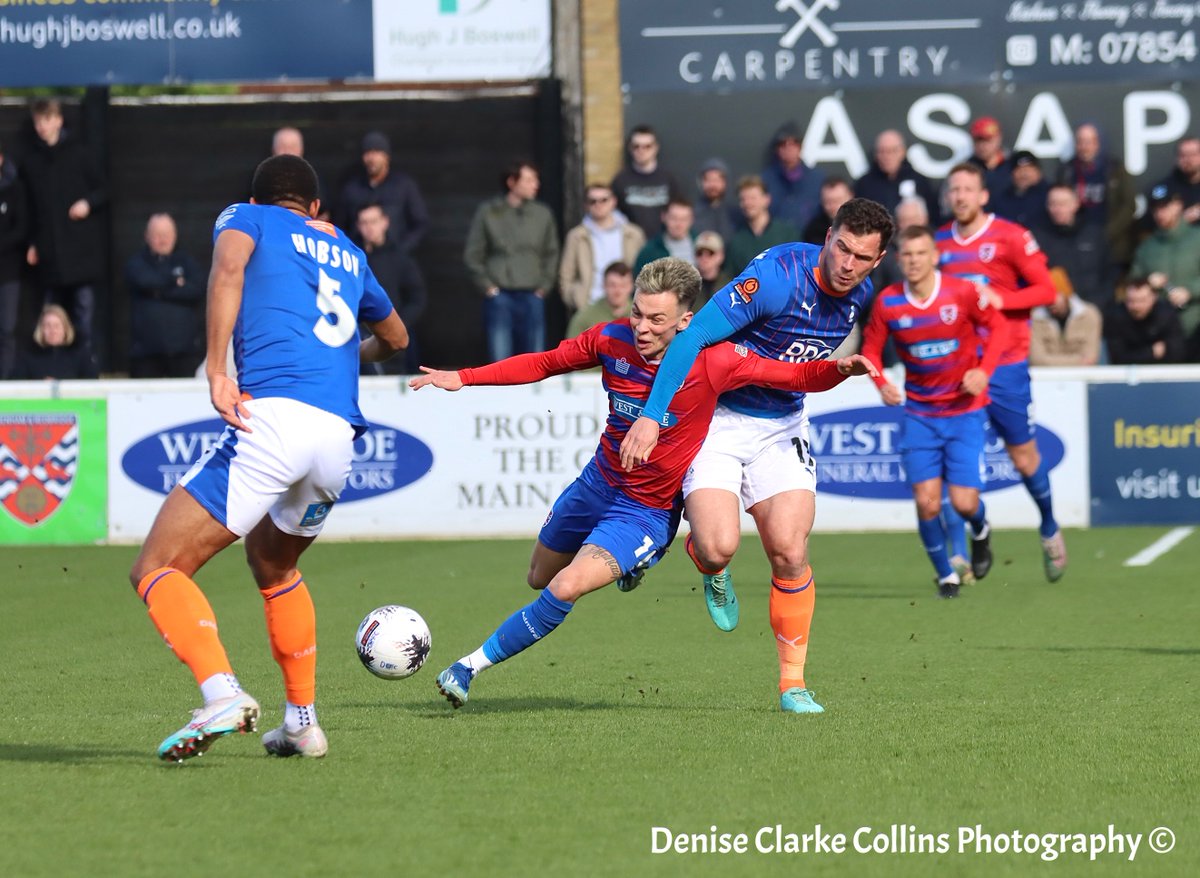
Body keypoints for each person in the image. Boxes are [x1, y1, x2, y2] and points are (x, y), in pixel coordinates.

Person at [408, 257, 875, 709]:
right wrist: (463, 378)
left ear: (686, 321)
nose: (642, 327)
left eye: (656, 318)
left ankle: (467, 669)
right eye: (637, 312)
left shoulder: (718, 361)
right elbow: (545, 363)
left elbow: (794, 374)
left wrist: (837, 370)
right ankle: (629, 567)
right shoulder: (610, 340)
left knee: (567, 586)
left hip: (644, 510)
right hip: (596, 484)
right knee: (539, 578)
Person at [127, 155, 408, 763]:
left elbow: (227, 268)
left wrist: (218, 370)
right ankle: (303, 723)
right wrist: (340, 359)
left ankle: (220, 692)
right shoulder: (351, 253)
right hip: (337, 439)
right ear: (315, 209)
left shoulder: (245, 218)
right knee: (275, 568)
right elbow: (397, 339)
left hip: (273, 419)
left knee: (157, 566)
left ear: (257, 202)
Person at [619, 199, 895, 714]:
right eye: (842, 248)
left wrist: (847, 370)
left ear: (877, 261)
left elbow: (801, 371)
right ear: (829, 235)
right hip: (718, 417)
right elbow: (694, 336)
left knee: (790, 552)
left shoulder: (863, 295)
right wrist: (654, 414)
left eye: (861, 257)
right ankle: (705, 560)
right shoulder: (776, 276)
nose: (847, 264)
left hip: (783, 424)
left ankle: (793, 686)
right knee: (720, 548)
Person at [936, 162, 1066, 582]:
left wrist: (1000, 299)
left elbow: (1047, 290)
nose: (960, 196)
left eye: (967, 189)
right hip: (958, 369)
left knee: (1023, 456)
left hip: (1006, 365)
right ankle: (961, 552)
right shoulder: (938, 243)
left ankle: (1048, 526)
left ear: (983, 195)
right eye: (954, 189)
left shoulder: (1010, 236)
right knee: (951, 461)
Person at [861, 226, 1006, 597]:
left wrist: (983, 371)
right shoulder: (889, 301)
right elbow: (871, 351)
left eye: (920, 253)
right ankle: (946, 576)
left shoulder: (961, 292)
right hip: (920, 415)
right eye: (907, 254)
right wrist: (881, 384)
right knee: (927, 503)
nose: (913, 261)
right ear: (898, 259)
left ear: (935, 256)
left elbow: (998, 329)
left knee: (963, 502)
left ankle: (981, 529)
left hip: (964, 412)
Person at [20, 98, 107, 351]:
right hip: (49, 252)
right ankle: (52, 368)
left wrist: (87, 204)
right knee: (50, 315)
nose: (42, 127)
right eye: (38, 122)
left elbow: (104, 189)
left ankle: (86, 371)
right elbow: (30, 207)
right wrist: (33, 242)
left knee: (84, 316)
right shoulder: (33, 162)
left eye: (46, 120)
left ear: (58, 120)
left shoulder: (79, 153)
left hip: (80, 250)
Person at [464, 160, 560, 362]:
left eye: (536, 179)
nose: (535, 184)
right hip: (501, 296)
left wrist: (544, 286)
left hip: (533, 294)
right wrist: (489, 288)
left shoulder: (543, 214)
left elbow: (552, 253)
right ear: (511, 182)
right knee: (500, 359)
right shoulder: (489, 212)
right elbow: (473, 254)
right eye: (528, 179)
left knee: (535, 360)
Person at [125, 213, 205, 378]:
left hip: (184, 353)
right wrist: (175, 281)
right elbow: (144, 281)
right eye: (158, 235)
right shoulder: (137, 262)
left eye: (167, 235)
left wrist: (158, 291)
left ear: (175, 236)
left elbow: (197, 289)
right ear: (147, 236)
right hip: (146, 354)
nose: (163, 240)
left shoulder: (187, 261)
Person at [357, 201, 427, 374]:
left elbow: (417, 297)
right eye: (364, 223)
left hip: (394, 338)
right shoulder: (352, 258)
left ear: (385, 222)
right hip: (359, 339)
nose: (369, 228)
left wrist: (397, 325)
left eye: (373, 221)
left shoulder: (400, 258)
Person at [1057, 123, 1136, 272]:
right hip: (1075, 243)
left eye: (1089, 142)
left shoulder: (1115, 169)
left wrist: (1107, 233)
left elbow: (1129, 205)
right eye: (1080, 142)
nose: (1084, 147)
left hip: (1111, 243)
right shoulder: (1067, 171)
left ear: (1097, 144)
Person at [335, 131, 428, 254]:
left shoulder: (403, 186)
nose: (372, 158)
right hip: (360, 260)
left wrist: (401, 250)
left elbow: (420, 223)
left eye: (377, 152)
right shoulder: (351, 189)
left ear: (386, 156)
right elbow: (339, 226)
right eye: (368, 153)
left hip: (395, 261)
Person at [559, 182, 644, 314]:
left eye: (604, 200)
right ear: (586, 205)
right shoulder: (576, 236)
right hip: (589, 305)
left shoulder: (633, 234)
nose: (598, 204)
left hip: (628, 307)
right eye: (592, 201)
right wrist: (575, 298)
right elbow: (566, 274)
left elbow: (643, 270)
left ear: (613, 201)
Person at [1130, 185, 1200, 344]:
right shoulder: (1147, 247)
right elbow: (1133, 280)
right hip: (1161, 331)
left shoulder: (1197, 239)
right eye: (1156, 208)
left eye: (1165, 206)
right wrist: (1148, 282)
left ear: (1178, 205)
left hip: (1196, 322)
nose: (1160, 213)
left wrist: (1190, 291)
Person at [1033, 184, 1112, 309]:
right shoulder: (1038, 237)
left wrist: (1100, 302)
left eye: (1063, 204)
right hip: (1054, 307)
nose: (1057, 209)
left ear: (1075, 204)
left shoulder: (1094, 234)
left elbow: (1109, 272)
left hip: (1094, 305)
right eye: (1053, 204)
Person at [610, 125, 685, 239]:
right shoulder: (620, 180)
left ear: (656, 148)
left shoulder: (669, 179)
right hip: (631, 244)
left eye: (647, 146)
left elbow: (679, 212)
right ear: (630, 148)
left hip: (663, 244)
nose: (641, 150)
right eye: (636, 146)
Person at [853, 130, 938, 222]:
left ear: (903, 152)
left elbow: (933, 216)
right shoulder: (865, 184)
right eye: (882, 151)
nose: (887, 156)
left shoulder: (919, 181)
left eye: (892, 151)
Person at [725, 175, 800, 277]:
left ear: (767, 199)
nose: (747, 203)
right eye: (743, 199)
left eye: (752, 198)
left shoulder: (787, 234)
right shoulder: (736, 241)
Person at [1104, 275, 1186, 364]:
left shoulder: (1166, 314)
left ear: (1154, 298)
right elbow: (1117, 358)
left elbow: (1177, 353)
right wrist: (1151, 352)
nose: (1136, 306)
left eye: (1142, 300)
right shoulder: (1116, 316)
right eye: (1131, 301)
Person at [761, 121, 825, 233]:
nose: (788, 147)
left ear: (800, 146)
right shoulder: (766, 180)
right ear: (777, 149)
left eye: (794, 143)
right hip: (778, 243)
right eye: (783, 143)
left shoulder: (817, 179)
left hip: (809, 242)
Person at [0, 136, 28, 380]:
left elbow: (21, 229)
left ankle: (5, 381)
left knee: (6, 329)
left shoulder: (14, 188)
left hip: (7, 272)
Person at [12, 304, 97, 380]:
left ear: (65, 329)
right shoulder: (28, 356)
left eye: (57, 326)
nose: (53, 331)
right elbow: (15, 387)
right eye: (48, 326)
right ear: (41, 330)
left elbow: (93, 385)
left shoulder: (80, 355)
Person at [1029, 290, 1103, 366]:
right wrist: (1079, 361)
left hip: (1081, 376)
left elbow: (1090, 358)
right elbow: (1037, 360)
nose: (1050, 300)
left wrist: (1050, 361)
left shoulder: (1089, 315)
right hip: (1046, 376)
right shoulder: (1033, 318)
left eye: (1056, 294)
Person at [566, 261, 633, 337]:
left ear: (631, 286)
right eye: (612, 285)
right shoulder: (585, 318)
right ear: (604, 285)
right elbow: (570, 346)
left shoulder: (640, 315)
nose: (618, 291)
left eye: (623, 285)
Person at [634, 198, 695, 274]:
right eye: (674, 218)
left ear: (691, 220)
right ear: (663, 217)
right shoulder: (650, 251)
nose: (679, 224)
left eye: (684, 219)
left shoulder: (700, 243)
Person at [991, 151, 1050, 229]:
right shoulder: (1002, 199)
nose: (1024, 174)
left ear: (1038, 172)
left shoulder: (1050, 195)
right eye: (1019, 170)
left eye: (1028, 169)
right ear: (1012, 173)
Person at [1152, 136, 1200, 225]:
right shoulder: (1165, 188)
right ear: (1177, 158)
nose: (1188, 159)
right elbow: (1155, 222)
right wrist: (1181, 218)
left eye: (1193, 154)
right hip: (1180, 236)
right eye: (1183, 155)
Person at [692, 157, 740, 242]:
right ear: (700, 183)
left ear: (725, 183)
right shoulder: (692, 214)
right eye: (708, 180)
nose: (712, 185)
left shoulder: (736, 214)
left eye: (717, 180)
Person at [802, 176, 854, 245]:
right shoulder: (815, 230)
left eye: (837, 201)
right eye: (828, 202)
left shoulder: (863, 224)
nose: (833, 207)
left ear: (851, 196)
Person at [966, 116, 1011, 194]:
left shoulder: (1013, 166)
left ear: (998, 138)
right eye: (978, 140)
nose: (982, 145)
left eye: (987, 140)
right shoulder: (967, 169)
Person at [694, 230, 730, 310]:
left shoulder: (729, 286)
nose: (704, 258)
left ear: (721, 256)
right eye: (699, 253)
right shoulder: (688, 286)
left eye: (710, 253)